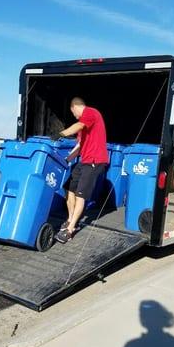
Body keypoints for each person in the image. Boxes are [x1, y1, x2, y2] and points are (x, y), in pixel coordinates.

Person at [53, 97, 108, 244]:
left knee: (80, 195)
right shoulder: (83, 126)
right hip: (84, 161)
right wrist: (65, 160)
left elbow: (78, 125)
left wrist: (62, 134)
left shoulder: (90, 113)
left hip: (95, 162)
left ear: (75, 107)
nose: (75, 116)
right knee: (68, 188)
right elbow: (79, 147)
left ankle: (70, 230)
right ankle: (71, 219)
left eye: (74, 113)